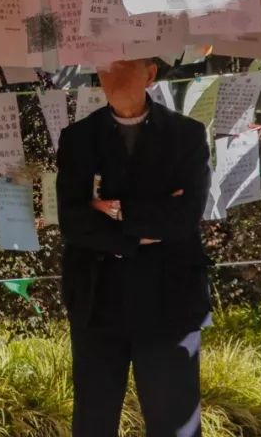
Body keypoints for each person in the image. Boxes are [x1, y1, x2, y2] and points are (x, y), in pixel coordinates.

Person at [56, 58, 212, 437]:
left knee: (174, 419)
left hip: (169, 298)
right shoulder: (79, 138)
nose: (114, 74)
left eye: (126, 65)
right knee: (94, 418)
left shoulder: (186, 135)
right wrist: (144, 224)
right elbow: (73, 223)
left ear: (150, 73)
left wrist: (115, 212)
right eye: (107, 66)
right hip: (98, 299)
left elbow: (184, 217)